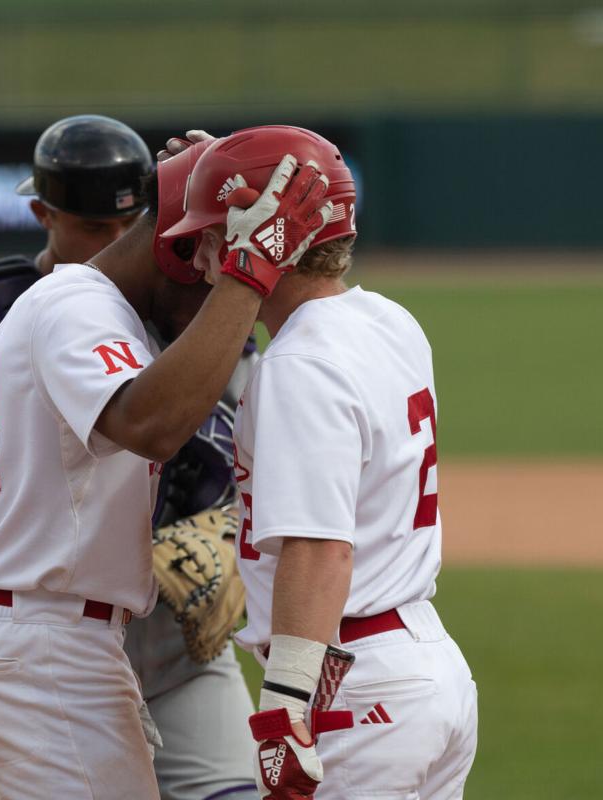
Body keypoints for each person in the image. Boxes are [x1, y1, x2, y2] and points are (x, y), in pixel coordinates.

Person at [0, 131, 333, 798]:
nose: (218, 301)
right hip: (40, 643)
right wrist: (245, 270)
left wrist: (213, 181)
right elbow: (150, 425)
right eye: (208, 271)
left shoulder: (91, 309)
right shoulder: (76, 306)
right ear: (176, 250)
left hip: (54, 639)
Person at [160, 125, 478, 798]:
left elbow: (318, 548)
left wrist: (284, 713)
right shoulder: (388, 321)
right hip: (425, 666)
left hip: (354, 692)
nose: (203, 253)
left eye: (214, 231)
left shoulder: (299, 366)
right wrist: (231, 172)